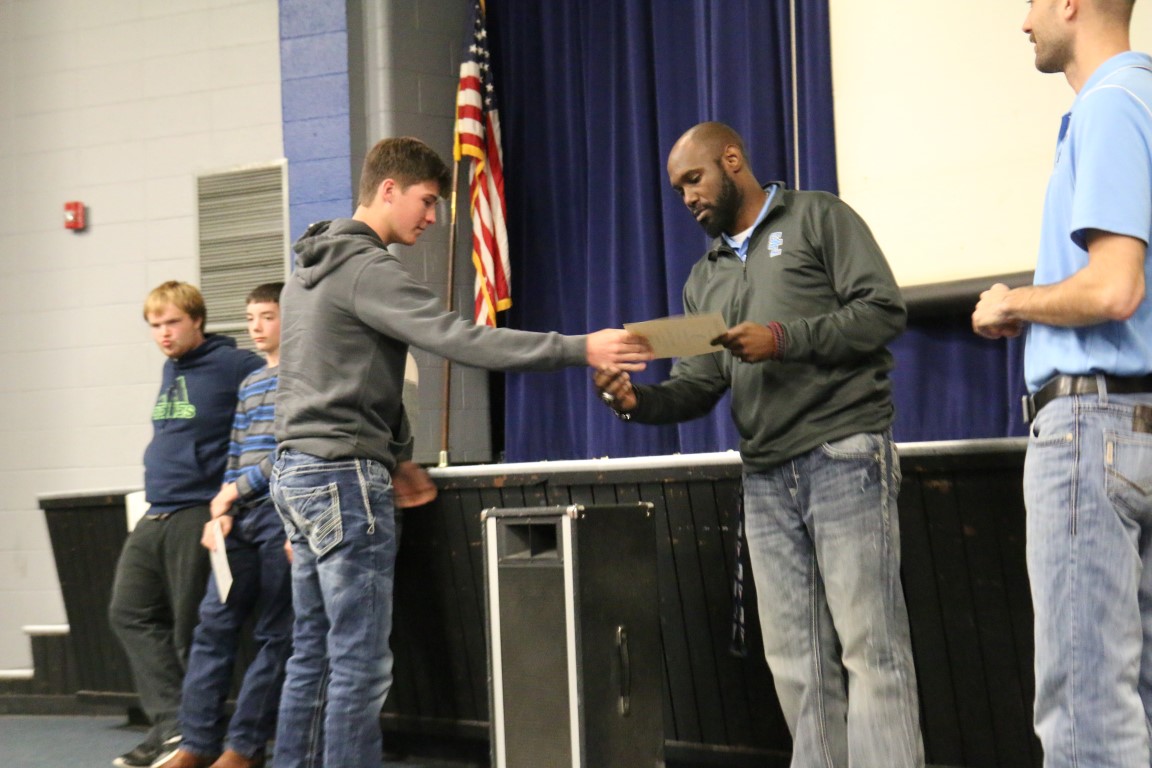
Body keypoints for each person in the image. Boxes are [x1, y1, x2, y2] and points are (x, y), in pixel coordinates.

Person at [269, 136, 652, 768]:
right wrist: (580, 347)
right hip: (343, 478)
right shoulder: (366, 269)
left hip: (297, 473)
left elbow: (331, 381)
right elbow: (462, 339)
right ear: (387, 189)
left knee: (311, 656)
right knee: (359, 665)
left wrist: (395, 455)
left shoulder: (304, 273)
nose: (432, 217)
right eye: (425, 201)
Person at [595, 122, 924, 767]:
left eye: (695, 179)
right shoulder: (705, 277)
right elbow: (699, 385)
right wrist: (636, 403)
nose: (688, 197)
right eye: (677, 189)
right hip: (766, 478)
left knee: (871, 649)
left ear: (732, 159)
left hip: (844, 453)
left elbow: (883, 311)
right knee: (797, 661)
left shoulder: (817, 217)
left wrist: (782, 338)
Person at [972, 2, 1152, 765]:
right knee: (1136, 705)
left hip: (1092, 430)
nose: (1025, 22)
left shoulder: (1110, 105)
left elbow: (1114, 288)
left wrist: (1014, 302)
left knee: (1086, 715)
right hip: (1135, 428)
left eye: (1034, 3)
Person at [109, 282, 264, 768]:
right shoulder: (170, 369)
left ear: (197, 319)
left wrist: (234, 498)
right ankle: (173, 726)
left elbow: (266, 416)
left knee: (189, 630)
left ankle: (196, 738)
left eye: (172, 322)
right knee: (128, 611)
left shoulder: (236, 365)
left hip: (199, 511)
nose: (164, 333)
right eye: (155, 325)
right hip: (157, 509)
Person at [157, 282, 292, 768]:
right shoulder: (252, 382)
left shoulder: (302, 377)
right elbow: (236, 451)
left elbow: (291, 450)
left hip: (283, 514)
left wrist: (237, 490)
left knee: (276, 633)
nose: (256, 327)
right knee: (212, 626)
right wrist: (224, 510)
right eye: (250, 317)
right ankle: (196, 743)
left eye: (268, 316)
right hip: (241, 518)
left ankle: (244, 748)